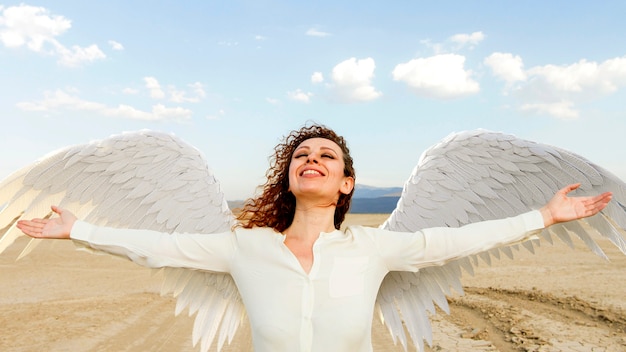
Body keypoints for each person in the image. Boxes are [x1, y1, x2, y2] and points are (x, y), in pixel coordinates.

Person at [16, 124, 612, 352]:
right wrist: (79, 230)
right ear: (289, 176)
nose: (313, 159)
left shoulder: (374, 248)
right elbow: (158, 246)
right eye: (302, 154)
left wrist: (544, 217)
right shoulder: (244, 247)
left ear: (346, 181)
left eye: (326, 155)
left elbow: (453, 242)